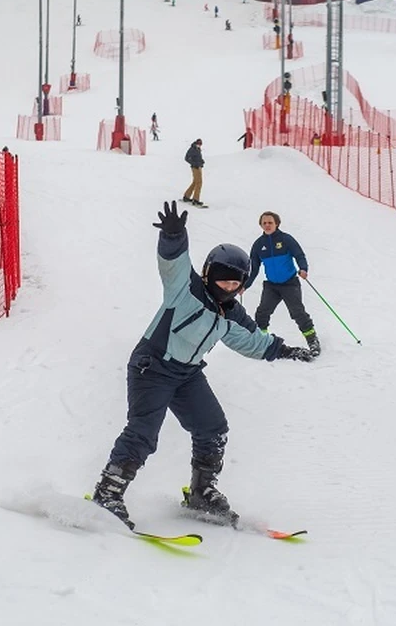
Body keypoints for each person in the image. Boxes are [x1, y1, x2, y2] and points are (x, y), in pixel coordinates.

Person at [90, 201, 315, 529]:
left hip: (187, 373)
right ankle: (107, 493)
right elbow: (173, 262)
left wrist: (285, 351)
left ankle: (201, 491)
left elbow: (252, 341)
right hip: (152, 365)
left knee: (213, 428)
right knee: (143, 432)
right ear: (209, 273)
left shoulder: (231, 313)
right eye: (223, 279)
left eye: (236, 282)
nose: (229, 286)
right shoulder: (186, 288)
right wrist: (173, 235)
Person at [242, 211, 320, 356]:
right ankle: (261, 340)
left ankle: (312, 340)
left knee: (297, 312)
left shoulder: (286, 239)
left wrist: (303, 268)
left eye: (270, 222)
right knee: (262, 312)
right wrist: (245, 286)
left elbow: (299, 254)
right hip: (271, 285)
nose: (267, 225)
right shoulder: (259, 245)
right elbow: (254, 268)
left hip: (289, 283)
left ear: (276, 223)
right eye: (264, 223)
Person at [181, 139, 205, 207]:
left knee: (195, 182)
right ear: (196, 143)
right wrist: (195, 164)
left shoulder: (197, 149)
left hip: (198, 167)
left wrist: (202, 161)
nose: (200, 145)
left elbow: (197, 158)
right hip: (195, 167)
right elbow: (186, 158)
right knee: (199, 183)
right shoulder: (192, 149)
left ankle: (187, 196)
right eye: (199, 144)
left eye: (200, 144)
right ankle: (196, 199)